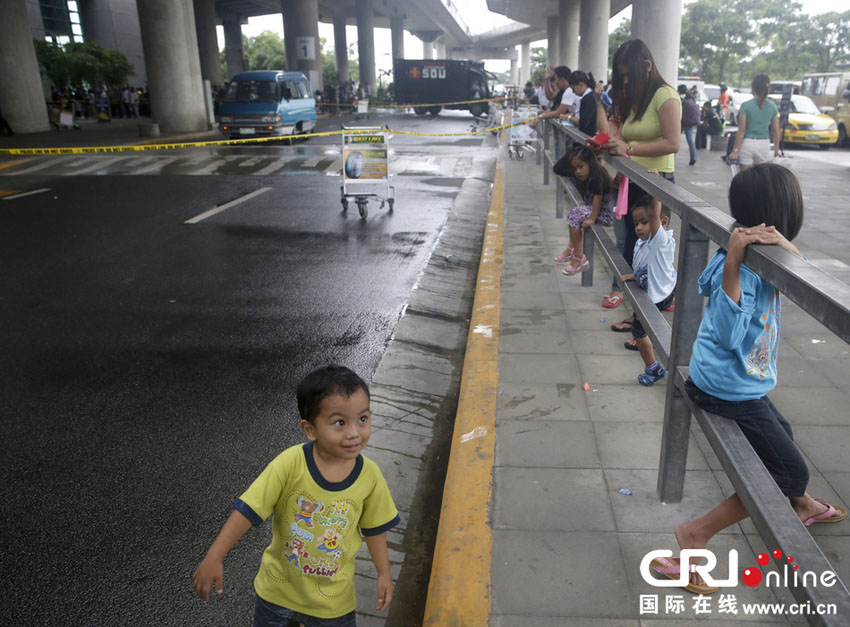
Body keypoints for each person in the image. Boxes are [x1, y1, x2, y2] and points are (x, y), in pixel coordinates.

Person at [653, 164, 846, 594]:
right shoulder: (741, 264)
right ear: (778, 214)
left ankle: (802, 505)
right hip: (725, 389)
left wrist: (784, 246)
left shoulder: (766, 253)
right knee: (789, 471)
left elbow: (804, 275)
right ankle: (695, 534)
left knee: (785, 434)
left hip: (740, 383)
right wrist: (736, 264)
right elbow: (725, 331)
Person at [193, 364, 400, 625]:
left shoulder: (370, 476)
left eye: (363, 419)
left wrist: (384, 572)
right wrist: (215, 555)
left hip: (332, 603)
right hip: (277, 594)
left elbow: (375, 528)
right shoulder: (290, 463)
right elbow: (249, 508)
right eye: (339, 422)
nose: (354, 433)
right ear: (310, 429)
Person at [602, 39, 681, 324]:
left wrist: (629, 149)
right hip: (631, 182)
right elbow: (626, 134)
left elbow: (672, 143)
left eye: (628, 74)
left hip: (655, 186)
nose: (624, 81)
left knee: (653, 253)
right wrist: (617, 142)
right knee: (634, 249)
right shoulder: (636, 99)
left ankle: (645, 318)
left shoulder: (665, 96)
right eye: (620, 75)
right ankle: (640, 314)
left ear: (647, 66)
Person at [618, 195, 676, 385]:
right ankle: (652, 364)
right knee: (640, 329)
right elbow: (649, 263)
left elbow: (654, 214)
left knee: (639, 331)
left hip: (658, 296)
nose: (639, 228)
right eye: (636, 223)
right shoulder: (644, 241)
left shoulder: (660, 240)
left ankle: (652, 369)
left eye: (644, 222)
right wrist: (636, 275)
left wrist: (656, 187)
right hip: (655, 288)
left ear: (663, 222)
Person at [553, 146, 615, 275]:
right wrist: (579, 148)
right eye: (575, 168)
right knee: (573, 213)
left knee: (575, 215)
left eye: (581, 167)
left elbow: (598, 198)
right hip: (593, 209)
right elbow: (558, 168)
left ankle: (578, 256)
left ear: (591, 163)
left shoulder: (598, 175)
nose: (578, 172)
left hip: (604, 214)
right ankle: (572, 249)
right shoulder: (586, 175)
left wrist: (592, 218)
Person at [729, 74, 781, 170]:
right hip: (764, 144)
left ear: (753, 88)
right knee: (761, 176)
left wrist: (735, 151)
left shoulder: (745, 106)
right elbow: (775, 131)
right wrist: (777, 150)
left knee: (745, 177)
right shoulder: (772, 106)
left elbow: (741, 130)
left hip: (748, 143)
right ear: (768, 88)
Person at [562, 70, 598, 137]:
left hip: (586, 137)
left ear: (581, 85)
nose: (573, 92)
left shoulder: (588, 98)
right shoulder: (587, 96)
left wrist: (569, 117)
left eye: (573, 88)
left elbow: (583, 123)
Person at [678, 85, 700, 165]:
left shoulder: (681, 99)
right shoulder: (691, 98)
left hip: (682, 122)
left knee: (674, 139)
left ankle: (669, 156)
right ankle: (694, 157)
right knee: (690, 141)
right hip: (690, 123)